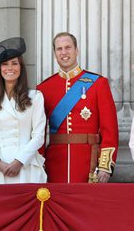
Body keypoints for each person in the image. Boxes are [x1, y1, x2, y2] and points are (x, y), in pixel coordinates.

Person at [37, 32, 119, 183]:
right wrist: (39, 163)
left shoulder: (98, 84)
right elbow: (39, 133)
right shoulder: (44, 88)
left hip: (89, 162)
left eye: (68, 47)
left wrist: (105, 166)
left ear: (77, 50)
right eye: (59, 49)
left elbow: (110, 129)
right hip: (55, 164)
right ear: (55, 53)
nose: (64, 52)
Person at [0, 37, 47, 184]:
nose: (10, 68)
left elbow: (38, 136)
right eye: (5, 64)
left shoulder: (35, 97)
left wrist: (19, 161)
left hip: (26, 166)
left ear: (21, 67)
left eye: (14, 63)